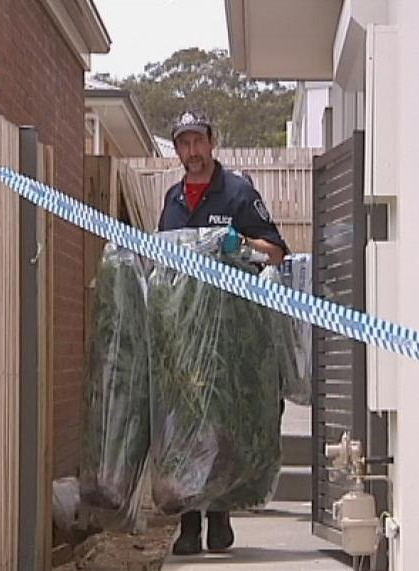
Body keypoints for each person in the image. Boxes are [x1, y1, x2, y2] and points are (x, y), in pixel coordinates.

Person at [158, 109, 288, 555]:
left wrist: (241, 243)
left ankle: (220, 514)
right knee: (185, 428)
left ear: (212, 143)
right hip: (183, 335)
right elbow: (164, 262)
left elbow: (275, 253)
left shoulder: (237, 193)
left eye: (198, 141)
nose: (192, 151)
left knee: (223, 425)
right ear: (176, 149)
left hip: (230, 334)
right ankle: (190, 523)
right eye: (184, 143)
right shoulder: (173, 200)